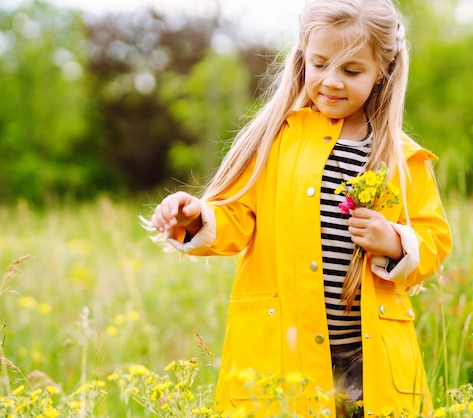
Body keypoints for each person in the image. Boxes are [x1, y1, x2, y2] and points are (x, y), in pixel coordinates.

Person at [148, 0, 452, 415]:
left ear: (381, 72)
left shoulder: (403, 159)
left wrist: (396, 243)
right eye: (320, 64)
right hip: (285, 354)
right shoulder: (276, 139)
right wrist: (198, 217)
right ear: (303, 57)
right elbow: (236, 217)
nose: (331, 82)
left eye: (351, 71)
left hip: (372, 366)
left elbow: (433, 241)